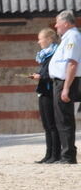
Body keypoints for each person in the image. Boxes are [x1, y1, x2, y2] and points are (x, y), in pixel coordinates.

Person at [48, 10, 81, 165]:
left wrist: (66, 88)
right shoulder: (67, 37)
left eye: (58, 23)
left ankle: (68, 156)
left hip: (66, 82)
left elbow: (72, 64)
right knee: (60, 119)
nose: (56, 26)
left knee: (65, 119)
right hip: (61, 82)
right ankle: (65, 154)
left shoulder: (73, 37)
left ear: (66, 23)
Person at [29, 29, 60, 164]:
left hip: (50, 92)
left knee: (52, 125)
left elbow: (57, 72)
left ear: (49, 39)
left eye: (40, 38)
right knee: (46, 125)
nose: (38, 41)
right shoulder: (45, 55)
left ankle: (55, 155)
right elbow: (44, 70)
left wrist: (41, 76)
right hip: (43, 91)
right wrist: (37, 75)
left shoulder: (56, 53)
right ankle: (48, 155)